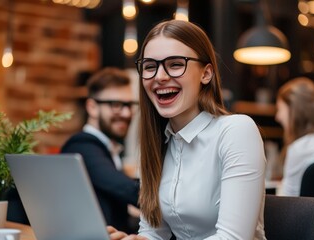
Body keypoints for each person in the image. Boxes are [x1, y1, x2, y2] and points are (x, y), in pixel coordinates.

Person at [111, 19, 267, 240]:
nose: (160, 76)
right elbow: (154, 232)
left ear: (206, 74)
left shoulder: (236, 131)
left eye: (175, 64)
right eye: (149, 67)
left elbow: (232, 238)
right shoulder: (156, 144)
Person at [61, 67, 140, 233]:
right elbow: (128, 190)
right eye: (116, 105)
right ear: (92, 107)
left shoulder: (108, 149)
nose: (126, 113)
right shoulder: (82, 146)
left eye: (130, 105)